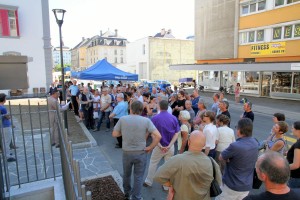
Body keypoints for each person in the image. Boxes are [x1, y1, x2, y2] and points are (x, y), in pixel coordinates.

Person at [112, 101, 161, 200]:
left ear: (131, 109)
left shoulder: (123, 119)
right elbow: (158, 136)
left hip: (127, 152)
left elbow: (115, 134)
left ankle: (127, 193)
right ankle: (136, 197)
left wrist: (125, 132)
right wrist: (150, 147)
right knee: (138, 176)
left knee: (126, 174)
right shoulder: (146, 120)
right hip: (141, 152)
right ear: (141, 109)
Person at [154, 130, 222, 200]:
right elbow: (218, 182)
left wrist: (171, 185)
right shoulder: (212, 162)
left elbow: (158, 176)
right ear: (204, 144)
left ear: (188, 142)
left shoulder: (177, 160)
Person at [216, 118, 258, 200]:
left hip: (231, 185)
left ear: (239, 130)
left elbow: (221, 157)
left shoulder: (235, 146)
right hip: (246, 185)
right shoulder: (255, 142)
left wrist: (228, 159)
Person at [143, 100, 180, 190]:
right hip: (169, 147)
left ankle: (148, 181)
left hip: (158, 146)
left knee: (153, 163)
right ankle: (166, 186)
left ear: (159, 106)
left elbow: (152, 133)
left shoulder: (155, 118)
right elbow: (177, 133)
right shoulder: (174, 118)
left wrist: (159, 145)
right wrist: (170, 145)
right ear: (167, 107)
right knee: (168, 166)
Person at [0, 93, 16, 162]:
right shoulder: (2, 108)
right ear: (3, 99)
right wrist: (9, 116)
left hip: (2, 126)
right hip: (5, 126)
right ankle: (8, 156)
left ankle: (7, 153)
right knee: (7, 141)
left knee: (4, 141)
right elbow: (7, 116)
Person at [287, 121, 300, 188]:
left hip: (296, 177)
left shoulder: (298, 144)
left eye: (292, 128)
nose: (291, 130)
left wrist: (282, 168)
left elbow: (296, 165)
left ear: (298, 130)